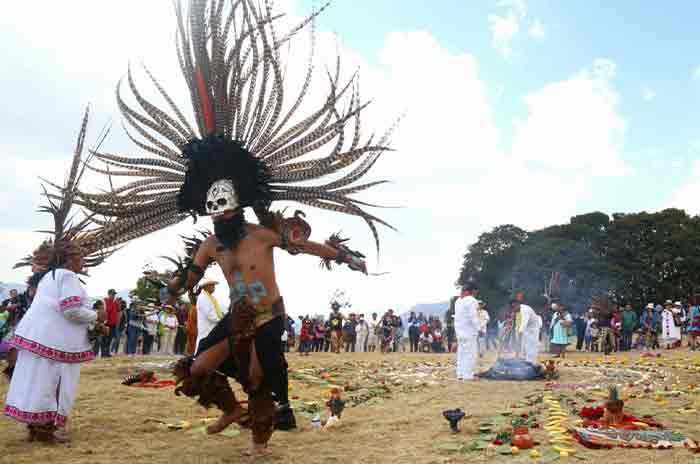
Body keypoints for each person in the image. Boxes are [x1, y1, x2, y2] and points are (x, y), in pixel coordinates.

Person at [75, 0, 393, 455]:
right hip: (237, 314)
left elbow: (311, 248)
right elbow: (187, 277)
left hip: (269, 314)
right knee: (197, 368)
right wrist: (167, 292)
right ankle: (231, 410)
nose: (220, 216)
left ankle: (259, 443)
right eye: (214, 211)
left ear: (238, 206)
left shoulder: (261, 235)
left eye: (226, 209)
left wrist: (345, 257)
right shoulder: (210, 246)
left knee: (261, 378)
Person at [454, 283, 480, 381]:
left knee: (461, 354)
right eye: (475, 292)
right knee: (470, 354)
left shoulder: (457, 301)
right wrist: (479, 328)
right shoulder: (472, 300)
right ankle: (468, 375)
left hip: (460, 332)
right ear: (471, 291)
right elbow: (473, 317)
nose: (476, 294)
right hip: (469, 332)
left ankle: (460, 374)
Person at [195, 279, 224, 353]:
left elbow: (218, 311)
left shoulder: (211, 298)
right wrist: (219, 320)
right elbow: (209, 314)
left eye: (214, 285)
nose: (214, 287)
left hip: (211, 326)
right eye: (212, 285)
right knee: (203, 342)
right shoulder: (203, 297)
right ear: (206, 287)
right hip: (206, 326)